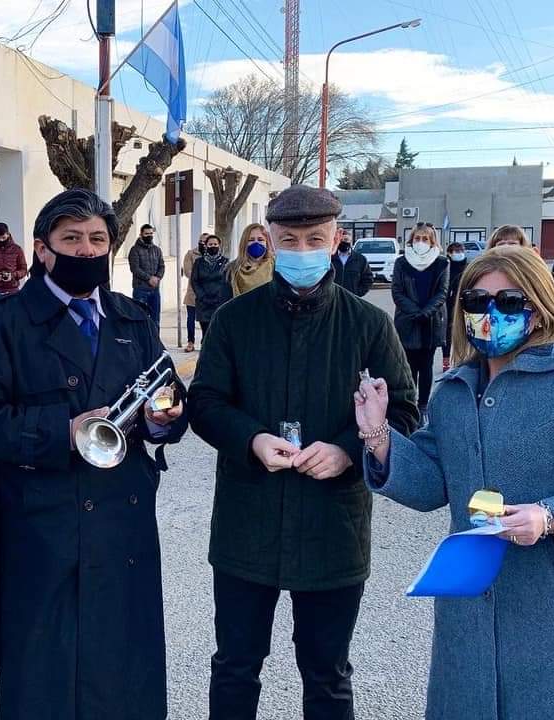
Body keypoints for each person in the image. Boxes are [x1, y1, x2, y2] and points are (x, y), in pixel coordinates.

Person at [355, 247, 554, 720]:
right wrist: (379, 435)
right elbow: (431, 480)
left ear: (540, 304)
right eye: (478, 301)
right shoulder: (454, 389)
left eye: (508, 301)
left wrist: (551, 518)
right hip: (470, 618)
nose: (491, 313)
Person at [0, 188, 187, 720]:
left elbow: (167, 398)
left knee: (125, 664)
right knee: (43, 669)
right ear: (42, 249)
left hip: (123, 523)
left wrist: (162, 419)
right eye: (70, 239)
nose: (85, 250)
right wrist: (62, 430)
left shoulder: (132, 320)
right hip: (41, 525)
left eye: (97, 239)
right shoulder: (1, 322)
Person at [188, 185, 418, 720]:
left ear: (336, 239)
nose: (302, 250)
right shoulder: (234, 320)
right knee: (235, 667)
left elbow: (404, 411)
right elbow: (205, 403)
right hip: (249, 523)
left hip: (331, 528)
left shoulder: (368, 325)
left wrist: (345, 451)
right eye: (289, 239)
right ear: (268, 240)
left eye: (315, 238)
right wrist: (249, 438)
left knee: (328, 673)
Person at [391, 223, 449, 415]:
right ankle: (409, 403)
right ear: (411, 240)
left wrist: (426, 312)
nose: (421, 242)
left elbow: (442, 293)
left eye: (425, 239)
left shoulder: (442, 263)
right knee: (408, 364)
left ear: (432, 241)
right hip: (407, 322)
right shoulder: (401, 262)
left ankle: (423, 405)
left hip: (431, 322)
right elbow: (397, 292)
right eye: (417, 238)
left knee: (426, 365)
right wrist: (414, 311)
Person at [191, 234, 231, 334]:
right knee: (206, 333)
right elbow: (194, 281)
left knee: (218, 331)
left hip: (219, 302)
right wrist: (202, 296)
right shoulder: (199, 262)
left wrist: (220, 296)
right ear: (206, 246)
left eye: (215, 244)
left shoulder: (226, 262)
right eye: (210, 244)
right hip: (203, 303)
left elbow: (227, 281)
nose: (213, 246)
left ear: (219, 245)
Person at [128, 223, 165, 327]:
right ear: (141, 234)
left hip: (155, 290)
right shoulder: (134, 250)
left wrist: (157, 278)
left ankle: (155, 342)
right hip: (141, 289)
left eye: (151, 233)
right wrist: (149, 278)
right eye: (146, 233)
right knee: (140, 320)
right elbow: (135, 269)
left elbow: (162, 266)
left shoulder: (157, 250)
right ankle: (142, 343)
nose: (149, 235)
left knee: (155, 320)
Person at [443, 241, 469, 371]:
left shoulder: (468, 267)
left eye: (461, 251)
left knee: (464, 331)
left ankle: (462, 358)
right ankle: (446, 360)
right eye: (456, 251)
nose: (459, 254)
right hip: (448, 304)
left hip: (465, 304)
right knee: (447, 333)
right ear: (449, 253)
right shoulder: (446, 267)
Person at [229, 223, 274, 297]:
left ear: (266, 243)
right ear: (244, 243)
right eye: (251, 240)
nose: (256, 243)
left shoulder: (276, 267)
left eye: (260, 239)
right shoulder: (231, 270)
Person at [330, 228, 373, 297]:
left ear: (351, 241)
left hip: (352, 299)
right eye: (341, 240)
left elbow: (368, 279)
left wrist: (357, 293)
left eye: (346, 240)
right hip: (333, 298)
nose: (343, 242)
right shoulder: (330, 258)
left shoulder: (360, 259)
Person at [181, 233, 206, 352]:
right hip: (193, 292)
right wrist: (203, 276)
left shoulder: (212, 254)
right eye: (201, 241)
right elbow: (187, 272)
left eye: (206, 241)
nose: (203, 243)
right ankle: (190, 342)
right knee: (191, 319)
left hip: (208, 294)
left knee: (205, 320)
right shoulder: (191, 254)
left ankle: (205, 342)